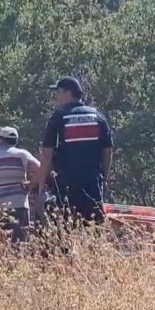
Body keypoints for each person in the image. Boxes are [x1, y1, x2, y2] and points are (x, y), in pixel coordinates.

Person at [39, 76, 113, 225]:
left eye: (58, 93)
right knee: (94, 227)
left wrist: (41, 184)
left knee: (66, 228)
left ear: (68, 92)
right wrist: (103, 178)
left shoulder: (59, 117)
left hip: (66, 185)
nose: (56, 98)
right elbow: (107, 151)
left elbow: (47, 153)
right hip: (92, 184)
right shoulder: (98, 117)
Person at [0, 126, 42, 243]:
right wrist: (30, 185)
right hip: (20, 206)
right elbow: (40, 168)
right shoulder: (22, 155)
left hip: (0, 209)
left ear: (0, 140)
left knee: (3, 245)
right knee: (20, 243)